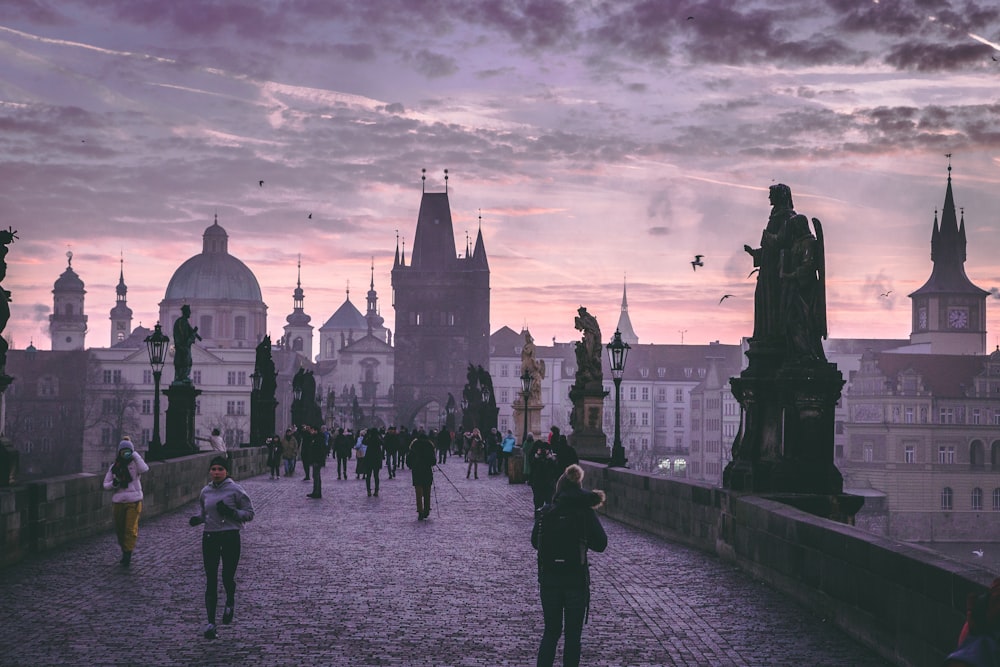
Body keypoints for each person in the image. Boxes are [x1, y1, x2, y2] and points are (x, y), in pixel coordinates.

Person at [531, 464, 607, 667]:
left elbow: (534, 542)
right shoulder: (585, 511)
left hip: (550, 581)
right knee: (573, 636)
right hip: (575, 581)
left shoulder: (548, 510)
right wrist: (582, 538)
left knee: (551, 632)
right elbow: (601, 543)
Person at [188, 456, 255, 640]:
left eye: (220, 469)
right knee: (210, 578)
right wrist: (198, 520)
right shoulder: (205, 491)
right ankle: (211, 623)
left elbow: (249, 514)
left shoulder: (236, 490)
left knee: (227, 575)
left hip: (230, 537)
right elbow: (205, 513)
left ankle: (230, 601)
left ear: (227, 471)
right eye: (214, 469)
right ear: (210, 471)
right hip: (210, 537)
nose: (216, 472)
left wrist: (232, 513)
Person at [102, 439, 149, 567]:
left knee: (130, 528)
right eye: (123, 451)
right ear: (119, 452)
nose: (126, 454)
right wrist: (114, 484)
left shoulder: (135, 464)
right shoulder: (114, 467)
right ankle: (124, 549)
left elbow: (145, 469)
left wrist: (135, 455)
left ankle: (127, 553)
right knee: (120, 529)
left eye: (128, 451)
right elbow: (105, 485)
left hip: (134, 501)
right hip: (118, 502)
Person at [407, 429, 436, 520]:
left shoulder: (414, 445)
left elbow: (408, 459)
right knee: (427, 491)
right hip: (427, 471)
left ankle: (420, 510)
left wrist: (412, 465)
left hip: (417, 471)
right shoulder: (429, 445)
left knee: (418, 492)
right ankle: (426, 510)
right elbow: (433, 461)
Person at [172, 303, 201, 384]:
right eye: (189, 312)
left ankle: (183, 376)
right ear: (186, 312)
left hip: (185, 346)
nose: (190, 313)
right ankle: (181, 377)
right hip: (182, 346)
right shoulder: (180, 322)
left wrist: (192, 335)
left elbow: (188, 333)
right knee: (182, 362)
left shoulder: (185, 322)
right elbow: (180, 335)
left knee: (188, 362)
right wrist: (189, 338)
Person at [305, 425, 327, 499]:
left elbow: (319, 451)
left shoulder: (318, 439)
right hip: (316, 460)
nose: (311, 432)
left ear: (315, 431)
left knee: (316, 476)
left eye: (312, 430)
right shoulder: (315, 438)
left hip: (317, 460)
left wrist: (317, 460)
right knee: (316, 476)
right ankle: (316, 491)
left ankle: (316, 492)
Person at [363, 429, 385, 497]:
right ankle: (376, 490)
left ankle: (368, 491)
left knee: (368, 476)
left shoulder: (369, 439)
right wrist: (380, 435)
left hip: (369, 459)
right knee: (376, 476)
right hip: (376, 459)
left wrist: (366, 435)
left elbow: (364, 442)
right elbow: (383, 442)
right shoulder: (378, 439)